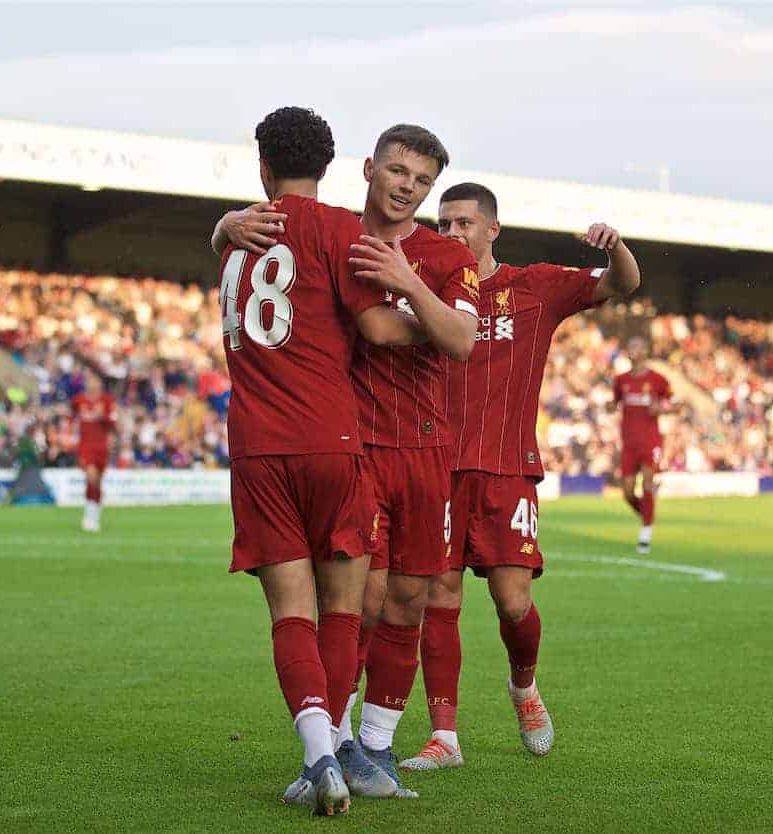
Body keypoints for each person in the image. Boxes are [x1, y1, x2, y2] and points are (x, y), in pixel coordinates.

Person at [213, 124, 479, 799]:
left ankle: (370, 749)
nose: (405, 186)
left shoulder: (445, 256)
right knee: (356, 603)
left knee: (406, 600)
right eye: (396, 171)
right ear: (365, 168)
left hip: (416, 446)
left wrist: (411, 285)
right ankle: (334, 741)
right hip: (347, 442)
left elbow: (463, 341)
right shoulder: (333, 232)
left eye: (420, 180)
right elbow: (376, 329)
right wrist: (225, 224)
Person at [399, 182, 641, 771]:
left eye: (463, 224)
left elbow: (621, 283)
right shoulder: (427, 287)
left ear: (492, 229)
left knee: (513, 603)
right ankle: (445, 736)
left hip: (509, 469)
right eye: (445, 223)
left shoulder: (532, 287)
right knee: (440, 595)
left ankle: (523, 687)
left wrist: (616, 247)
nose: (452, 233)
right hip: (440, 466)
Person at [612, 336, 673, 554]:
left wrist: (662, 409)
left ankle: (645, 535)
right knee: (627, 492)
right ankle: (647, 514)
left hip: (650, 440)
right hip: (629, 443)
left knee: (647, 483)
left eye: (637, 346)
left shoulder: (658, 379)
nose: (632, 350)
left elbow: (674, 404)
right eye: (630, 347)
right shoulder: (620, 380)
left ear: (645, 351)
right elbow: (615, 402)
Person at [71, 368, 115, 532]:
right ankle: (89, 515)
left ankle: (94, 512)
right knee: (91, 475)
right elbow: (71, 417)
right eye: (89, 381)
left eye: (95, 381)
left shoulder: (107, 400)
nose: (92, 384)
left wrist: (102, 416)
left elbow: (113, 424)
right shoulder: (78, 400)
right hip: (85, 445)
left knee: (97, 482)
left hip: (102, 447)